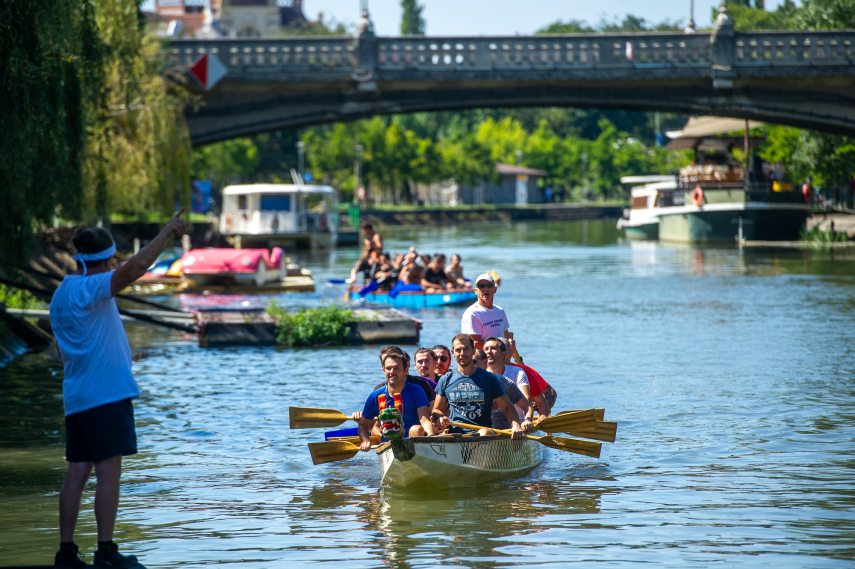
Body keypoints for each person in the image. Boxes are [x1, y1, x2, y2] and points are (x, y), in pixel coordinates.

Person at [49, 211, 187, 569]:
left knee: (77, 473)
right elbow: (138, 266)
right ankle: (106, 552)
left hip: (76, 396)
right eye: (113, 260)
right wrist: (167, 232)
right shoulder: (95, 288)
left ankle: (66, 553)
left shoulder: (62, 292)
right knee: (109, 472)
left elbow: (75, 346)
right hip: (106, 397)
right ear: (106, 259)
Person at [431, 334, 524, 438]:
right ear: (453, 353)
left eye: (466, 349)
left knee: (485, 432)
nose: (462, 353)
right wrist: (440, 417)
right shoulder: (446, 379)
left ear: (473, 350)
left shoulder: (490, 379)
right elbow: (437, 409)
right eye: (458, 350)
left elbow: (507, 407)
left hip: (482, 434)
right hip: (455, 435)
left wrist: (516, 425)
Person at [356, 350, 435, 450]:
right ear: (383, 370)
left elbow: (424, 420)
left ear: (405, 370)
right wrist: (365, 441)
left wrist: (431, 436)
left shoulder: (416, 390)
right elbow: (363, 424)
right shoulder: (375, 396)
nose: (392, 372)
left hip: (413, 440)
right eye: (389, 368)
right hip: (389, 444)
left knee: (417, 429)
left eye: (397, 368)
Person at [483, 337, 535, 431]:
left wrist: (528, 420)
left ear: (503, 353)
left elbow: (527, 401)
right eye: (486, 349)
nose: (489, 352)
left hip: (516, 427)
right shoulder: (480, 375)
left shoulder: (517, 372)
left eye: (493, 348)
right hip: (489, 428)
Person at [461, 273, 509, 350]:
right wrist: (499, 348)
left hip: (500, 359)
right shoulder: (472, 313)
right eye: (481, 286)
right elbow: (474, 343)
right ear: (476, 291)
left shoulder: (500, 311)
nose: (485, 289)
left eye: (489, 286)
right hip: (482, 360)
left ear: (495, 289)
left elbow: (507, 336)